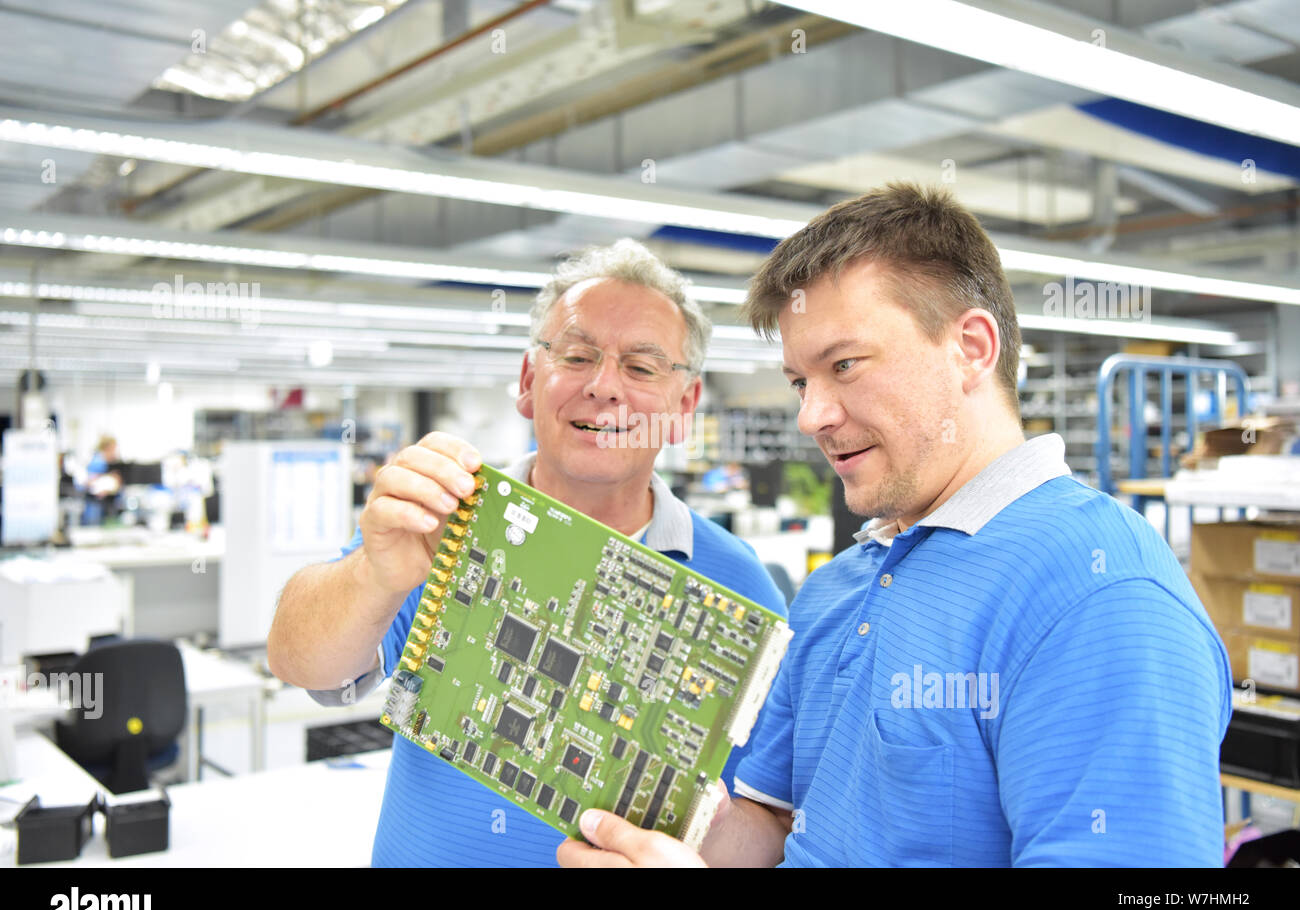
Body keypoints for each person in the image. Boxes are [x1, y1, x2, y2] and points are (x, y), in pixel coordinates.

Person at [558, 183, 1232, 868]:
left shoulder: (1100, 596)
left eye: (844, 365)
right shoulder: (835, 592)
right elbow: (775, 826)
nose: (811, 415)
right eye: (799, 381)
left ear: (970, 347)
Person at [268, 239, 786, 867]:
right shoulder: (445, 518)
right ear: (526, 380)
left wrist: (700, 837)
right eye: (576, 355)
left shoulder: (741, 587)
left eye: (642, 368)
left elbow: (765, 829)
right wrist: (373, 576)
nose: (603, 386)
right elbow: (299, 662)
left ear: (683, 409)